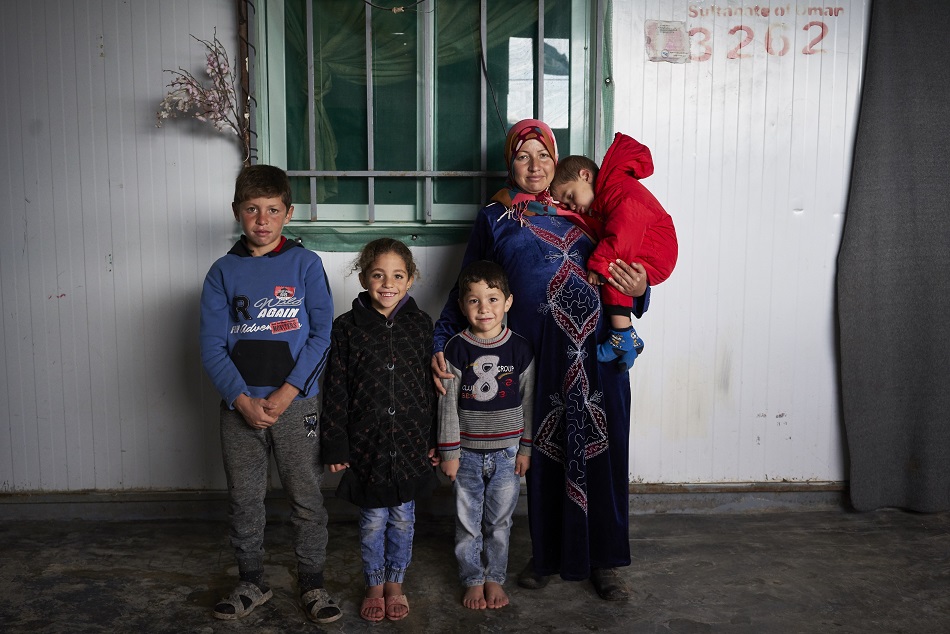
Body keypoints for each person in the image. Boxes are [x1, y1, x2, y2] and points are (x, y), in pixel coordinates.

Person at [431, 119, 649, 602]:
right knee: (545, 456)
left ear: (557, 161)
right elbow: (467, 284)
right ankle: (550, 554)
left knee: (603, 451)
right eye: (523, 156)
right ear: (510, 163)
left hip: (598, 358)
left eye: (544, 156)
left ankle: (605, 561)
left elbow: (630, 268)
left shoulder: (587, 208)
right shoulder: (496, 216)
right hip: (538, 361)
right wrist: (439, 344)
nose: (535, 166)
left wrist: (641, 290)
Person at [199, 164, 341, 624]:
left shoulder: (305, 264)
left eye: (273, 210)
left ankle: (313, 584)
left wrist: (287, 393)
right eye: (252, 210)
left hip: (296, 406)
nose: (262, 219)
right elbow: (212, 345)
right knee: (244, 497)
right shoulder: (222, 272)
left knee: (306, 497)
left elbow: (322, 334)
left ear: (288, 213)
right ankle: (251, 580)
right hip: (239, 407)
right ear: (237, 212)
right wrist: (241, 399)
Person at [320, 238, 440, 623]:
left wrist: (434, 440)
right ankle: (373, 582)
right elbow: (336, 388)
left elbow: (430, 388)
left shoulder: (422, 325)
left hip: (409, 443)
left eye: (398, 275)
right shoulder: (347, 328)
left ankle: (395, 583)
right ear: (363, 276)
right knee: (373, 519)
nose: (388, 283)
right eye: (378, 275)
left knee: (404, 516)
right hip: (367, 444)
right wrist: (336, 444)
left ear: (410, 279)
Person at [437, 260, 536, 610]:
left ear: (508, 302)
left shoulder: (520, 349)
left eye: (493, 299)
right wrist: (449, 453)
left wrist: (526, 449)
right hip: (466, 453)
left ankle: (495, 576)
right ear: (463, 305)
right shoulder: (455, 349)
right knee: (468, 523)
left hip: (509, 453)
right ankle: (472, 578)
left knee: (499, 521)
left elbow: (528, 400)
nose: (484, 309)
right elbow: (447, 407)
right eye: (474, 300)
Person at [549, 133, 678, 372]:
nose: (570, 205)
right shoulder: (602, 199)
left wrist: (599, 263)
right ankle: (628, 340)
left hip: (656, 245)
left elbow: (625, 229)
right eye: (564, 204)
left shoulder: (616, 189)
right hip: (649, 245)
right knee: (615, 264)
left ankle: (621, 335)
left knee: (614, 267)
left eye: (569, 196)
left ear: (585, 176)